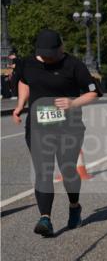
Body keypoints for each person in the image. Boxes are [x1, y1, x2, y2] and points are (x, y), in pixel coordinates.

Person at [11, 29, 100, 236]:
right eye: (43, 54)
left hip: (69, 127)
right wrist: (20, 105)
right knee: (44, 171)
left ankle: (74, 206)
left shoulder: (73, 65)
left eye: (51, 54)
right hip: (38, 127)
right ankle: (45, 218)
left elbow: (94, 92)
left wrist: (73, 102)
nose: (46, 58)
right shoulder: (28, 63)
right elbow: (24, 81)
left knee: (68, 170)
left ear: (60, 48)